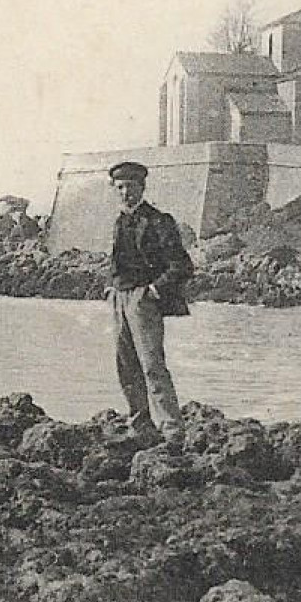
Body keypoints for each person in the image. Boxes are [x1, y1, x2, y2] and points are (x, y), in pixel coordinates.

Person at [106, 161, 193, 450]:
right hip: (120, 298)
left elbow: (182, 265)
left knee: (152, 365)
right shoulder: (120, 221)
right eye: (120, 188)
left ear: (142, 187)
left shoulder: (159, 221)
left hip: (144, 300)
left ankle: (172, 431)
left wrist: (154, 290)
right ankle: (140, 425)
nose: (125, 192)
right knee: (126, 365)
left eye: (130, 186)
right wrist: (111, 287)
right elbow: (117, 261)